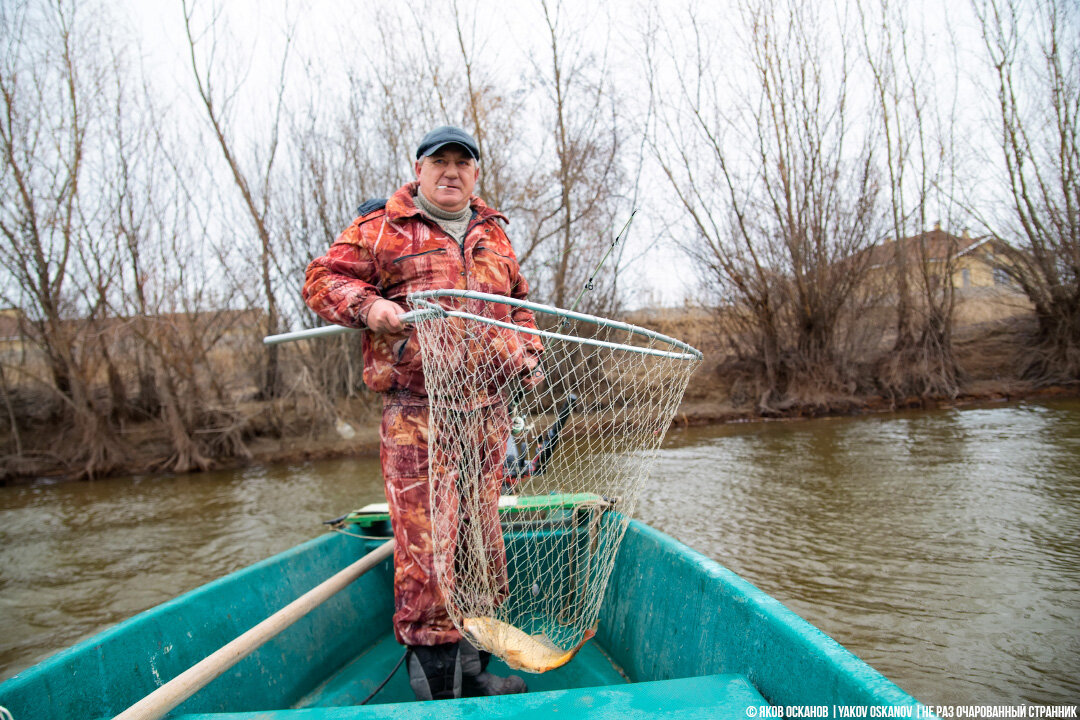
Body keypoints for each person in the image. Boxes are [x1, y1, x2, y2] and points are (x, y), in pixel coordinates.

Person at [302, 125, 542, 701]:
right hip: (418, 414)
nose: (451, 172)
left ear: (475, 173)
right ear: (420, 168)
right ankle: (440, 692)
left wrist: (528, 357)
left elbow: (521, 308)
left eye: (463, 162)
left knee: (480, 544)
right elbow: (321, 280)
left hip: (487, 412)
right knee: (428, 550)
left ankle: (478, 674)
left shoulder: (493, 233)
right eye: (441, 162)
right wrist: (371, 304)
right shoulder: (384, 226)